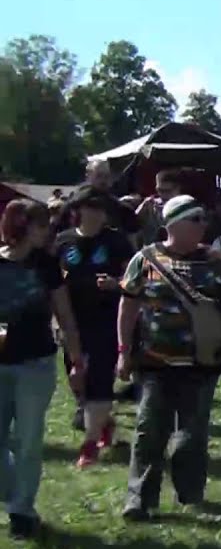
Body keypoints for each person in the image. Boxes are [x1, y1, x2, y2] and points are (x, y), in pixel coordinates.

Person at [117, 196, 221, 521]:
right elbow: (128, 305)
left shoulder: (213, 261)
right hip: (154, 362)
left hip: (202, 363)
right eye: (196, 219)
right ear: (175, 224)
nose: (203, 225)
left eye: (203, 219)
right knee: (149, 431)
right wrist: (124, 352)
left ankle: (190, 495)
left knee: (191, 435)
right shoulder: (146, 259)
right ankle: (139, 500)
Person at [0, 199, 84, 539]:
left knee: (29, 440)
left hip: (36, 363)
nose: (47, 231)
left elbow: (65, 316)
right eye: (40, 225)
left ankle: (21, 510)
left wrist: (76, 361)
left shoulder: (46, 265)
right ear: (22, 226)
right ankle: (12, 492)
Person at [54, 188, 135, 468]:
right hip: (71, 322)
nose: (97, 214)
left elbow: (142, 275)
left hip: (107, 321)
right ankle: (104, 422)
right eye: (91, 207)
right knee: (78, 381)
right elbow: (52, 282)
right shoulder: (63, 241)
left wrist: (118, 284)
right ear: (78, 209)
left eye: (101, 208)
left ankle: (89, 446)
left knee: (100, 378)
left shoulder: (116, 241)